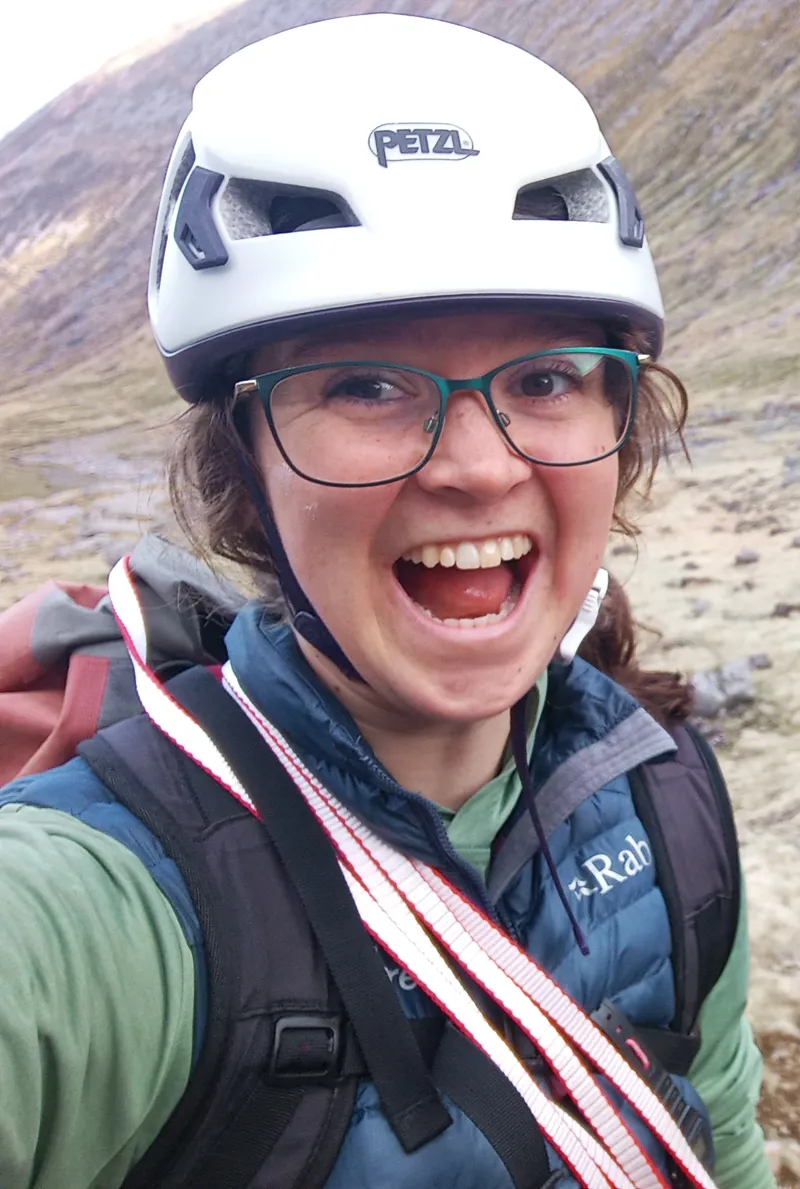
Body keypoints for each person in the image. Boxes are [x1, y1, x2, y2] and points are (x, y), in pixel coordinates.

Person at [0, 13, 775, 1189]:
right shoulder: (101, 908)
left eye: (548, 377)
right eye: (363, 383)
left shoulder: (667, 805)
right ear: (243, 467)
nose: (474, 463)